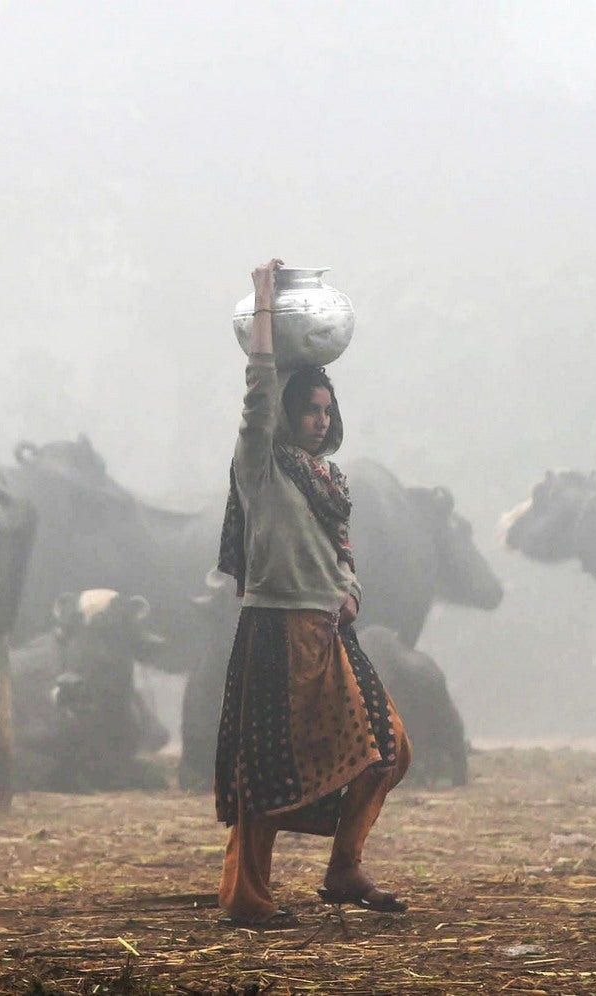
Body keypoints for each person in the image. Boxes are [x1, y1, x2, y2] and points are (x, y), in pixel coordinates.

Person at [213, 258, 412, 927]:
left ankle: (344, 868)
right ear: (286, 417)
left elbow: (341, 553)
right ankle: (247, 899)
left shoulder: (329, 479)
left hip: (331, 629)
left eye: (328, 410)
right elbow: (259, 391)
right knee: (266, 773)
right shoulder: (260, 465)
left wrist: (350, 591)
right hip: (275, 627)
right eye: (310, 409)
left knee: (388, 749)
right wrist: (266, 309)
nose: (320, 420)